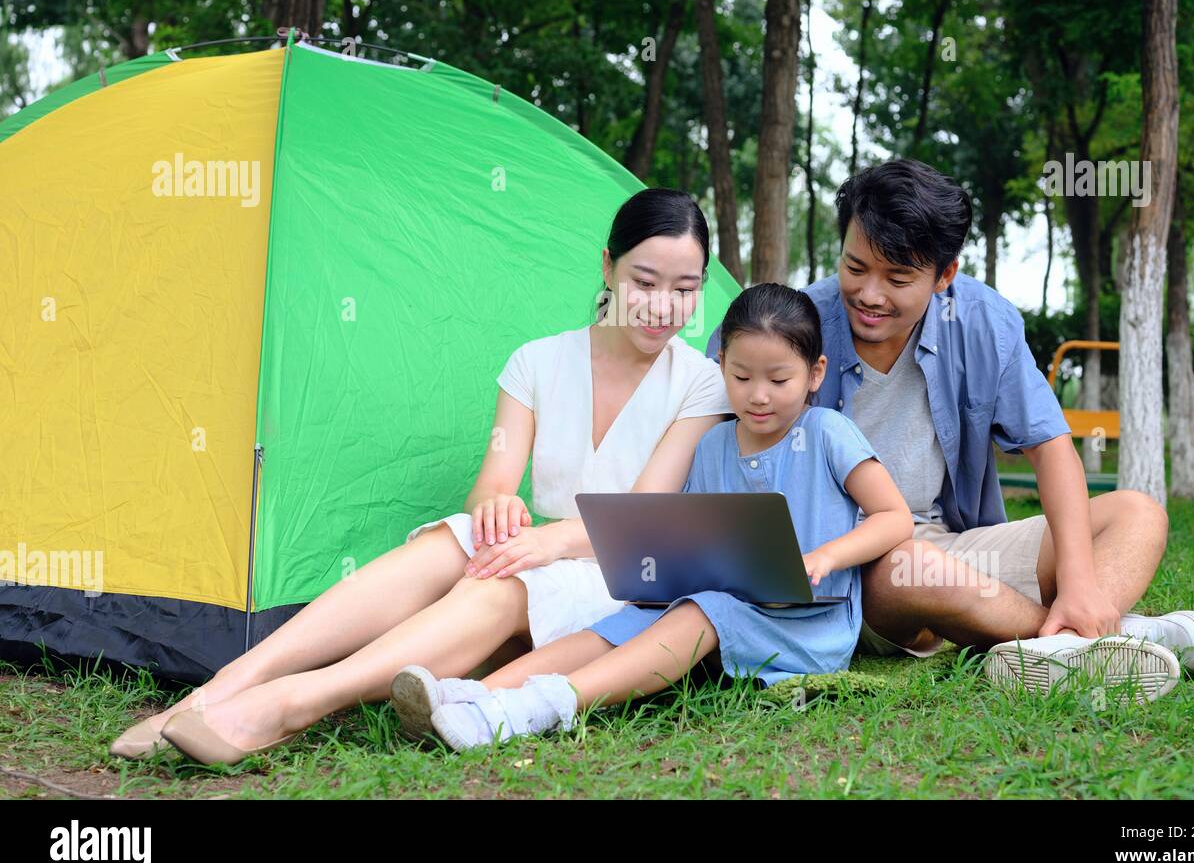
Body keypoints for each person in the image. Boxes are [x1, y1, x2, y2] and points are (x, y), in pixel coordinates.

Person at [109, 188, 736, 765]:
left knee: (497, 581)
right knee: (460, 536)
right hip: (546, 552)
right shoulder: (537, 362)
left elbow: (644, 516)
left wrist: (544, 542)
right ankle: (230, 683)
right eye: (644, 282)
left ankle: (290, 705)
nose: (663, 308)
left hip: (626, 579)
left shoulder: (702, 382)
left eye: (685, 289)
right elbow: (493, 482)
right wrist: (499, 509)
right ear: (608, 267)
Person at [701, 160, 1194, 699]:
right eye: (855, 268)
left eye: (898, 278)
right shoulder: (798, 328)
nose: (870, 295)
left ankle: (1079, 632)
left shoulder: (981, 321)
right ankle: (1108, 640)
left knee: (1137, 512)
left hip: (955, 547)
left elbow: (1051, 447)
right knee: (912, 564)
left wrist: (1082, 583)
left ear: (944, 274)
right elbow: (716, 404)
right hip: (848, 569)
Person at [388, 282, 915, 750]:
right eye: (741, 375)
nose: (758, 396)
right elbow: (692, 533)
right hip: (723, 600)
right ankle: (476, 694)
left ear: (815, 373)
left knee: (701, 610)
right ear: (722, 366)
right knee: (622, 621)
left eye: (779, 380)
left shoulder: (826, 433)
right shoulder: (712, 447)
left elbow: (893, 517)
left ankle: (548, 704)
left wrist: (825, 555)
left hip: (806, 625)